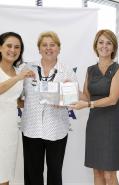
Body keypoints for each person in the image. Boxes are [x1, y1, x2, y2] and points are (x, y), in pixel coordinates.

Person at [70, 29, 119, 185]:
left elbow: (112, 99)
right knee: (97, 172)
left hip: (111, 124)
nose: (104, 46)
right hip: (94, 124)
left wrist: (88, 104)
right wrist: (72, 89)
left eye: (108, 43)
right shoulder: (90, 70)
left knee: (109, 173)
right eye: (101, 42)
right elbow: (87, 96)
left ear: (114, 47)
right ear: (96, 46)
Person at [20, 31, 77, 185]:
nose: (48, 48)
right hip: (31, 129)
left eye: (52, 45)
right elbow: (18, 97)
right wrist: (27, 105)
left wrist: (63, 99)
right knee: (32, 173)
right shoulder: (27, 69)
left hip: (57, 130)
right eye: (44, 45)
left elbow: (73, 102)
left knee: (55, 173)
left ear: (59, 48)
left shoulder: (67, 72)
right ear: (39, 49)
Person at [0, 32, 35, 185]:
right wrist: (19, 77)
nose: (12, 50)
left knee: (6, 171)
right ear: (0, 47)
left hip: (10, 127)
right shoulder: (18, 75)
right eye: (9, 45)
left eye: (17, 47)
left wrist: (40, 99)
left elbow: (16, 101)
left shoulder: (16, 71)